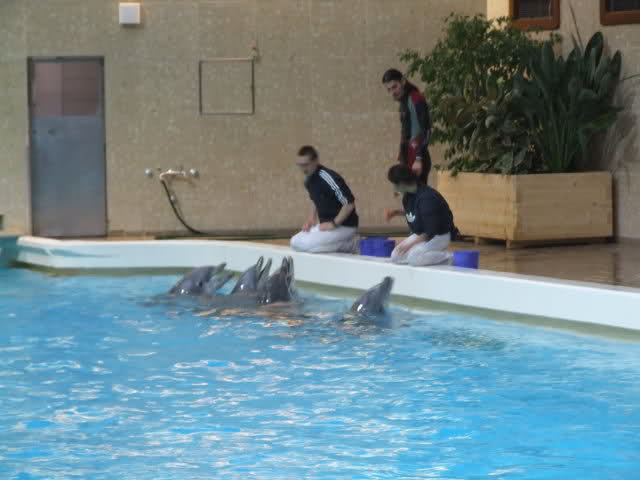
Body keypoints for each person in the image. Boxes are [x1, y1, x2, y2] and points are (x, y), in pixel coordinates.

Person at [290, 146, 359, 253]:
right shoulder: (309, 180)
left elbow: (349, 204)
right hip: (325, 226)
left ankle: (351, 244)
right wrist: (311, 220)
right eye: (300, 165)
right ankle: (341, 244)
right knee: (294, 242)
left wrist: (334, 223)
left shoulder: (328, 178)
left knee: (309, 247)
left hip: (345, 226)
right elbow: (315, 200)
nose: (303, 169)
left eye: (306, 164)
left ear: (315, 161)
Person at [384, 164, 455, 266]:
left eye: (395, 184)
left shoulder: (427, 198)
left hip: (439, 235)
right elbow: (418, 213)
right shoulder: (408, 196)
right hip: (422, 234)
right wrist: (396, 212)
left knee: (414, 258)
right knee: (396, 256)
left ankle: (450, 258)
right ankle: (428, 257)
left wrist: (410, 244)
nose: (394, 188)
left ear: (403, 182)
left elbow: (430, 231)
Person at [382, 68, 432, 184]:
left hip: (417, 159)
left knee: (418, 193)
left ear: (403, 81)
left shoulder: (415, 98)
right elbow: (405, 134)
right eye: (389, 90)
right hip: (409, 158)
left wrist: (418, 158)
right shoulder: (405, 102)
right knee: (407, 194)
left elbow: (426, 130)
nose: (392, 92)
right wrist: (402, 160)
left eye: (394, 87)